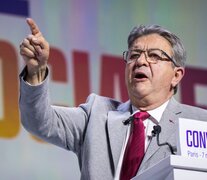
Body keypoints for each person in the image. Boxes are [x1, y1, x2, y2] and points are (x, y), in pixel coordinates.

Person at [19, 18, 207, 180]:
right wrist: (36, 72)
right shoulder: (95, 114)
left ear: (176, 75)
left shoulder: (199, 123)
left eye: (154, 56)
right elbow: (39, 121)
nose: (140, 62)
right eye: (134, 55)